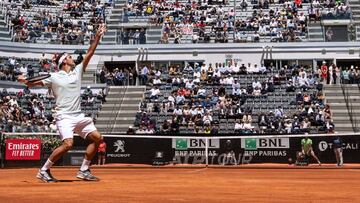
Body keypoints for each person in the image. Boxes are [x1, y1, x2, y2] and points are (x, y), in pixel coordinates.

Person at [17, 24, 107, 182]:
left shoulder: (77, 71)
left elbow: (90, 52)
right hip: (64, 116)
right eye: (70, 57)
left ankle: (84, 170)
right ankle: (44, 170)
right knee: (68, 144)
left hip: (78, 115)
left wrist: (98, 36)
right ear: (64, 61)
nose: (73, 58)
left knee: (97, 138)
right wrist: (25, 81)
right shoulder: (53, 76)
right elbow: (32, 84)